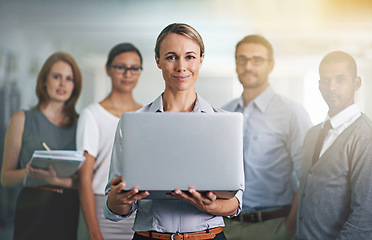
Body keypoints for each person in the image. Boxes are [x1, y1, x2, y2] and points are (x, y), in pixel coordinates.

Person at [103, 23, 244, 240]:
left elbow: (236, 201)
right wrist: (118, 200)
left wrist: (213, 206)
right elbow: (114, 208)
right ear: (158, 60)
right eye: (171, 57)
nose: (181, 66)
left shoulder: (222, 123)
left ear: (201, 59)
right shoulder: (134, 123)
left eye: (189, 57)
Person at [222, 35, 312, 240]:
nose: (248, 66)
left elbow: (308, 177)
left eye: (257, 60)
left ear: (271, 65)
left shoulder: (292, 113)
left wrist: (289, 227)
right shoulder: (223, 113)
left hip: (273, 226)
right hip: (227, 227)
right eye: (242, 59)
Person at [290, 51, 372, 239]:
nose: (332, 87)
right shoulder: (312, 134)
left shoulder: (365, 137)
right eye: (325, 80)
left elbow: (365, 215)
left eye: (340, 79)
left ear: (356, 83)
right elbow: (305, 189)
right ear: (319, 85)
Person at [0, 51, 82, 240]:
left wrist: (57, 180)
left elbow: (86, 181)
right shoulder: (21, 119)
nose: (63, 84)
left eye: (69, 79)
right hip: (32, 209)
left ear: (74, 86)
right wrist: (30, 173)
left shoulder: (81, 123)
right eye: (56, 77)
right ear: (44, 81)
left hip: (68, 208)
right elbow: (5, 178)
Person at [76, 43, 142, 240]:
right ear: (108, 69)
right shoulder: (92, 115)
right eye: (121, 67)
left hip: (138, 207)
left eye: (134, 68)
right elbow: (84, 179)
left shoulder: (144, 115)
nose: (128, 74)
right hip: (101, 207)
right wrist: (94, 232)